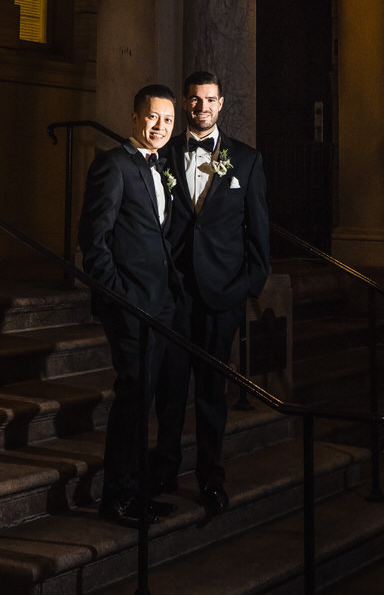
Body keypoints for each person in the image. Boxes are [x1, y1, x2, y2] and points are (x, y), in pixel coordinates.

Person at [153, 69, 270, 514]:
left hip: (222, 298)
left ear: (222, 105)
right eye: (194, 100)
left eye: (210, 100)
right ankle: (163, 469)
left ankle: (209, 477)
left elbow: (258, 236)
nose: (202, 107)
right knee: (169, 391)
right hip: (173, 294)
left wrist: (246, 288)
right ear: (185, 104)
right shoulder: (162, 154)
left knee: (211, 394)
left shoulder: (246, 160)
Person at [78, 83, 182, 525]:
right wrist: (117, 296)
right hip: (129, 307)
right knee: (133, 398)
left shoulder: (162, 168)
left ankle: (136, 492)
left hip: (161, 305)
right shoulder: (113, 165)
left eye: (168, 120)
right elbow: (93, 241)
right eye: (153, 117)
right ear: (136, 117)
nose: (160, 127)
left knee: (148, 400)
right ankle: (116, 498)